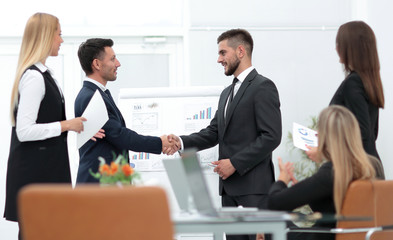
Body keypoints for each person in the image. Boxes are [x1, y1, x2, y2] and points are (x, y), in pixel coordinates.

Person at [169, 29, 282, 240]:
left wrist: (235, 163)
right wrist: (181, 142)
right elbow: (214, 132)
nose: (219, 59)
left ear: (240, 51)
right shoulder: (226, 93)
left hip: (254, 191)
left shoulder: (263, 87)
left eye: (223, 53)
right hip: (229, 192)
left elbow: (271, 136)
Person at [3, 13, 92, 239]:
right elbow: (24, 131)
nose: (61, 40)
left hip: (44, 174)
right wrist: (66, 125)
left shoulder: (44, 75)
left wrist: (77, 126)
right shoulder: (34, 78)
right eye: (59, 34)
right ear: (45, 36)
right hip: (37, 177)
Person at [266, 105, 378, 240]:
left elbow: (274, 204)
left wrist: (282, 180)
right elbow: (332, 208)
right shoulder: (371, 166)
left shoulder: (330, 173)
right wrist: (308, 191)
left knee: (272, 221)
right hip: (355, 236)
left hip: (324, 236)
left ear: (324, 137)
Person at [74, 38, 175, 183]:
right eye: (113, 59)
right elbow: (119, 135)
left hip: (106, 183)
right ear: (96, 64)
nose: (118, 64)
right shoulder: (90, 96)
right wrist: (160, 142)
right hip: (97, 185)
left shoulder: (96, 94)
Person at [306, 21, 385, 163]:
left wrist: (325, 150)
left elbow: (362, 132)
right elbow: (371, 132)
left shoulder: (353, 82)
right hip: (371, 165)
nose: (336, 49)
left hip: (358, 169)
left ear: (350, 48)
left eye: (339, 44)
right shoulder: (369, 81)